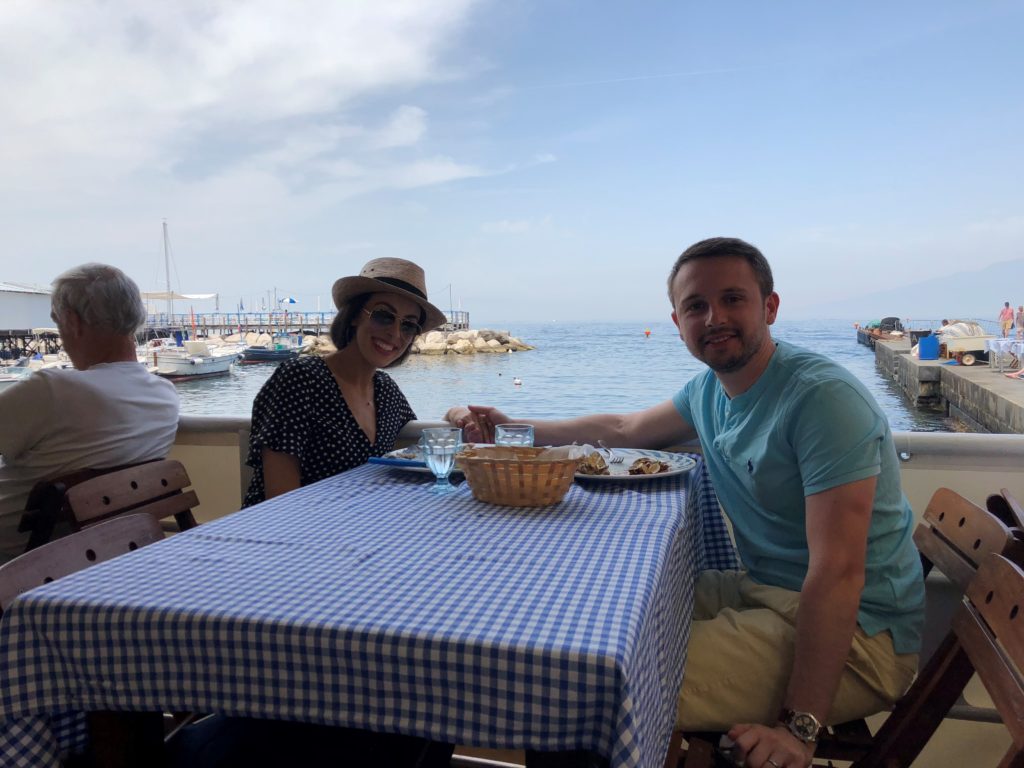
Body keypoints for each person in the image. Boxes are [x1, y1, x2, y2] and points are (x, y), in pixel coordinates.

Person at [447, 237, 924, 768]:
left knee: (587, 688)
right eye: (696, 306)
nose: (714, 317)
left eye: (732, 299)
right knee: (593, 614)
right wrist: (513, 426)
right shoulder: (709, 392)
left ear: (770, 306)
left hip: (861, 638)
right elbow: (624, 428)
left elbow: (837, 573)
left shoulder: (821, 399)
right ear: (678, 322)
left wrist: (799, 730)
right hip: (763, 589)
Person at [0, 263, 179, 562]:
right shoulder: (164, 396)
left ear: (72, 321)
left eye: (57, 322)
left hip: (22, 561)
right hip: (103, 552)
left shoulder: (52, 390)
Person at [243, 257, 447, 507]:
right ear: (354, 316)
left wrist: (456, 413)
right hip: (283, 533)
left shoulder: (385, 391)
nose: (395, 333)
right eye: (384, 316)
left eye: (408, 325)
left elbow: (417, 433)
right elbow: (280, 499)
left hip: (355, 528)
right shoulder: (299, 379)